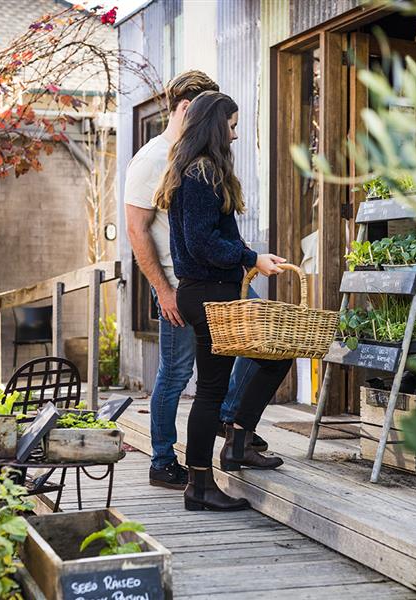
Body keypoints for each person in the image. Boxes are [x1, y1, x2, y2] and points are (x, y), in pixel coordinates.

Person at [125, 71, 268, 491]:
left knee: (262, 345)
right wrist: (162, 289)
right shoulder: (154, 159)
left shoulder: (201, 156)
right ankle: (164, 459)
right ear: (188, 109)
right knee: (176, 373)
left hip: (223, 276)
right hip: (182, 283)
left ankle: (232, 425)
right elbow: (136, 230)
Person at [154, 91, 293, 511]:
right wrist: (253, 258)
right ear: (216, 126)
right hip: (210, 293)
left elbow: (212, 238)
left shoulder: (194, 170)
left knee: (276, 353)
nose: (234, 135)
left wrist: (246, 255)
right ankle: (200, 484)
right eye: (231, 127)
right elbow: (202, 244)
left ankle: (236, 441)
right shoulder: (200, 174)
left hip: (211, 291)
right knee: (212, 391)